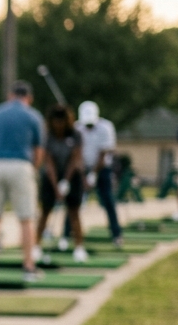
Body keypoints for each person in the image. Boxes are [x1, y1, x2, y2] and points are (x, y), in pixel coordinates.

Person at [0, 81, 44, 282]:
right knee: (26, 219)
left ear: (10, 95)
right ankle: (28, 266)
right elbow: (39, 150)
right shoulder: (33, 116)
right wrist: (33, 170)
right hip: (20, 165)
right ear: (29, 97)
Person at [38, 105, 87, 262]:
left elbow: (75, 159)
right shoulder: (48, 136)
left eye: (61, 122)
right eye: (55, 122)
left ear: (67, 121)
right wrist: (56, 186)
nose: (58, 125)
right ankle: (35, 247)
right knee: (45, 211)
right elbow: (49, 163)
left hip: (73, 176)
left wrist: (65, 182)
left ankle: (79, 248)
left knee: (74, 212)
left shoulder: (76, 135)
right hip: (51, 177)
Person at [75, 100, 122, 248]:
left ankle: (116, 235)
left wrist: (93, 174)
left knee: (108, 201)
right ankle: (67, 235)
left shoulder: (105, 127)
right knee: (74, 202)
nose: (88, 126)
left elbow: (104, 153)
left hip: (102, 169)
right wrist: (83, 175)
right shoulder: (76, 128)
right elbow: (76, 154)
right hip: (82, 168)